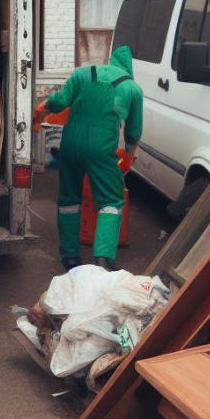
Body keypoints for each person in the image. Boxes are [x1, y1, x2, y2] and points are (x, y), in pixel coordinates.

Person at [33, 45, 143, 271]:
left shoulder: (82, 73)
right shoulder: (132, 88)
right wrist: (129, 157)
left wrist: (41, 111)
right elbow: (133, 132)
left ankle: (70, 257)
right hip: (101, 149)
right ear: (128, 69)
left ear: (110, 62)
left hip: (70, 143)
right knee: (111, 201)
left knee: (69, 200)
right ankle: (103, 257)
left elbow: (60, 101)